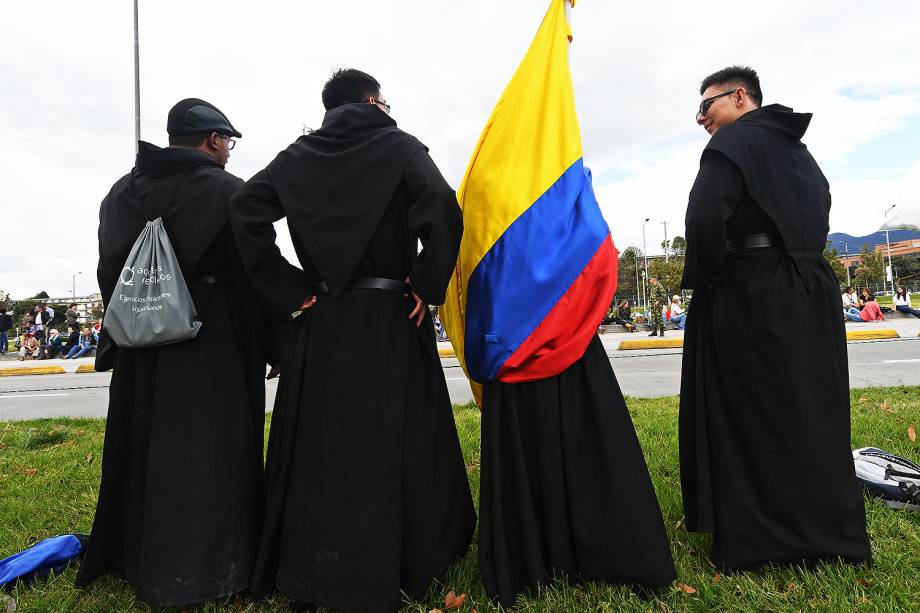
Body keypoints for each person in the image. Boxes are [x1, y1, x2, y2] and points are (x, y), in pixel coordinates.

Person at [230, 69, 475, 612]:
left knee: (320, 442)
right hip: (392, 315)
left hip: (321, 320)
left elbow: (244, 210)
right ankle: (407, 557)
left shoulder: (296, 157)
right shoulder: (401, 146)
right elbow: (440, 203)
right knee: (398, 433)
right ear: (371, 100)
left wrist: (289, 287)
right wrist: (426, 283)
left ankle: (310, 563)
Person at [76, 98, 273, 608]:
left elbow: (108, 270)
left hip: (141, 346)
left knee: (142, 445)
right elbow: (254, 272)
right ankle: (211, 566)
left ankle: (131, 553)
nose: (228, 150)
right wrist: (277, 336)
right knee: (213, 449)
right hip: (213, 344)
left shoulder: (121, 192)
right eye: (227, 141)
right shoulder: (229, 191)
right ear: (212, 140)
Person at [679, 66, 870, 572]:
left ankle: (761, 540)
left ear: (739, 97)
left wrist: (710, 278)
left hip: (751, 289)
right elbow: (822, 209)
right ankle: (832, 532)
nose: (701, 119)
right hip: (812, 289)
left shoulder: (731, 145)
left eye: (707, 106)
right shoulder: (799, 151)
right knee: (812, 409)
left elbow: (702, 220)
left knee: (751, 408)